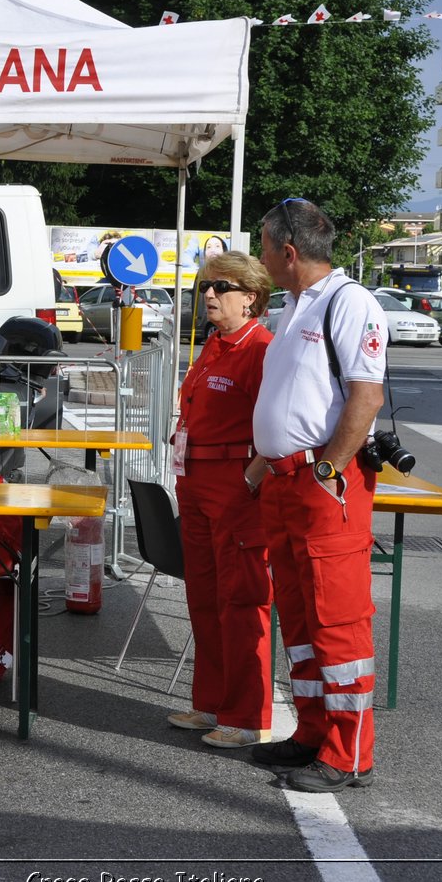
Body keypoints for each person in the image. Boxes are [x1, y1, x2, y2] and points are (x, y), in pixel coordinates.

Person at [243, 197, 387, 794]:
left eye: (264, 246)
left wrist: (328, 471)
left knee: (337, 620)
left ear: (289, 251)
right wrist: (260, 471)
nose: (261, 257)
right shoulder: (295, 304)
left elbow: (366, 397)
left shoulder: (351, 303)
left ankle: (350, 754)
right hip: (285, 483)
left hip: (322, 484)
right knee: (300, 617)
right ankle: (311, 733)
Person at [167, 252, 275, 749]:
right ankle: (210, 701)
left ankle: (245, 713)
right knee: (204, 598)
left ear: (250, 296)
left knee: (240, 600)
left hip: (234, 487)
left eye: (221, 287)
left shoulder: (260, 349)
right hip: (197, 481)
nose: (208, 295)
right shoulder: (217, 342)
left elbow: (278, 428)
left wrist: (251, 479)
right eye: (205, 287)